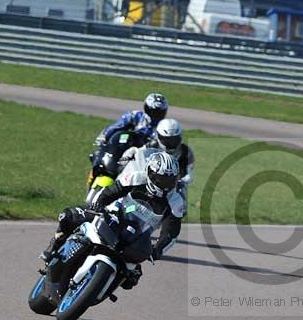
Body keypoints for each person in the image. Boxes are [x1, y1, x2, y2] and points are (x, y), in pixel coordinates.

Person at [41, 151, 184, 290]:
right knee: (69, 216)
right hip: (112, 215)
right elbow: (107, 192)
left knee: (131, 279)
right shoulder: (135, 178)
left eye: (170, 180)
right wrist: (98, 205)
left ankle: (102, 285)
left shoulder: (175, 201)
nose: (165, 185)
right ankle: (54, 245)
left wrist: (158, 250)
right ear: (150, 173)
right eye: (161, 179)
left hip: (137, 235)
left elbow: (170, 233)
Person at [88, 93, 169, 178]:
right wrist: (103, 137)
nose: (155, 115)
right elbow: (117, 126)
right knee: (99, 155)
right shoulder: (136, 115)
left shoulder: (163, 128)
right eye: (153, 112)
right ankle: (94, 174)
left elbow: (163, 148)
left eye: (159, 113)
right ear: (147, 109)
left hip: (141, 158)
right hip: (123, 148)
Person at [144, 118, 195, 194]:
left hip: (174, 188)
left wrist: (179, 181)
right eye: (167, 140)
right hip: (150, 185)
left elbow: (189, 174)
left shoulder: (186, 152)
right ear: (159, 136)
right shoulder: (150, 146)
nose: (171, 143)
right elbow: (139, 159)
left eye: (174, 140)